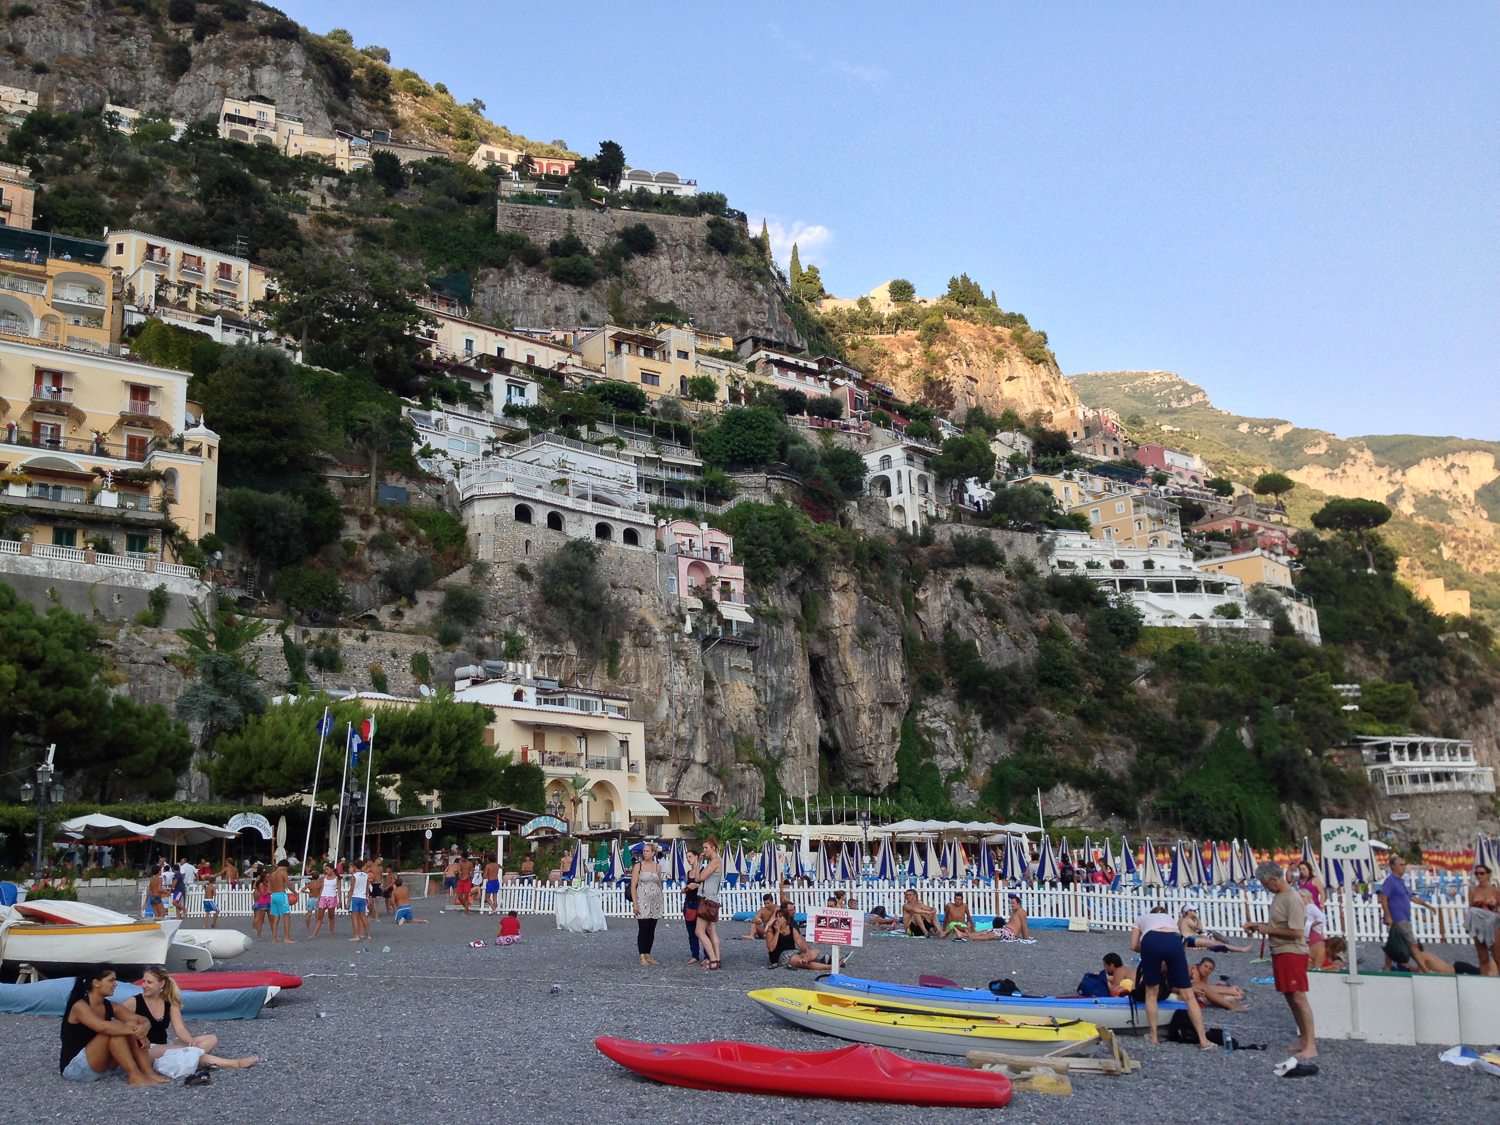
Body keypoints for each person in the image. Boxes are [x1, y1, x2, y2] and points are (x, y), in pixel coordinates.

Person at [1245, 860, 1316, 1063]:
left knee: (1299, 997)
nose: (1264, 887)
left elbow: (1296, 932)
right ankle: (1303, 1040)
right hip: (1280, 951)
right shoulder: (1279, 896)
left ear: (1275, 879)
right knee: (1289, 997)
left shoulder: (1293, 899)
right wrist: (1258, 926)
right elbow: (1277, 925)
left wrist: (1269, 930)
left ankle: (1311, 1045)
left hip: (1292, 952)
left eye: (1266, 883)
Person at [134, 967, 259, 1072]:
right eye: (143, 981)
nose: (144, 985)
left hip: (164, 1047)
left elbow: (179, 1028)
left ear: (161, 984)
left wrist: (190, 1041)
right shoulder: (135, 1001)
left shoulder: (170, 1004)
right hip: (147, 1050)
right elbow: (120, 1018)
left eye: (149, 982)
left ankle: (191, 1057)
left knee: (211, 1039)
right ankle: (234, 1063)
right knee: (187, 1051)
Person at [59, 965, 167, 1086]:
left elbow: (140, 1019)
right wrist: (137, 1033)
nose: (115, 984)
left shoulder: (110, 1005)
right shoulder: (80, 1006)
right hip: (76, 1069)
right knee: (115, 1027)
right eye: (111, 980)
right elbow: (102, 1027)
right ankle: (135, 1075)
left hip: (103, 1067)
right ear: (96, 983)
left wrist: (145, 1027)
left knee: (128, 1024)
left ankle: (148, 1072)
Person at [1130, 902, 1211, 1048]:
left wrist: (1148, 951)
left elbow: (1133, 946)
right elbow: (1182, 937)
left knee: (1151, 993)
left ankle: (1153, 1036)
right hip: (1173, 941)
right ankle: (1203, 1040)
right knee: (1188, 995)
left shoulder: (1141, 918)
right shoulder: (1170, 919)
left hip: (1151, 941)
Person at [1379, 855, 1433, 971]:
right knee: (1412, 943)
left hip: (1403, 916)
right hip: (1398, 917)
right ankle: (1424, 969)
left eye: (1404, 865)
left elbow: (1411, 897)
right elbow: (1383, 898)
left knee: (1393, 942)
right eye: (1401, 865)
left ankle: (1387, 968)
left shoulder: (1401, 882)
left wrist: (1426, 905)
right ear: (1393, 867)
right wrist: (1388, 916)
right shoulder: (1390, 881)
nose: (1404, 867)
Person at [765, 904, 833, 971]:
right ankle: (829, 967)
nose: (777, 919)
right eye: (777, 917)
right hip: (780, 955)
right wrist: (777, 932)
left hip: (793, 952)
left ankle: (805, 960)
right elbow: (771, 948)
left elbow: (800, 942)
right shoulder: (771, 930)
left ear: (786, 919)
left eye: (780, 917)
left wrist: (807, 950)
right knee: (805, 963)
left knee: (815, 951)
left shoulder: (792, 929)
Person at [630, 841, 664, 966]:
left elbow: (659, 883)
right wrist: (635, 903)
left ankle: (648, 953)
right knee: (643, 928)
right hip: (642, 899)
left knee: (651, 928)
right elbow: (633, 885)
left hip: (654, 900)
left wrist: (661, 898)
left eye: (647, 851)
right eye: (644, 851)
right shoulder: (639, 866)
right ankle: (642, 955)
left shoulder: (657, 867)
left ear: (653, 853)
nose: (645, 853)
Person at [695, 837, 724, 971]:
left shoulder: (715, 861)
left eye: (706, 847)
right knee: (711, 930)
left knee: (699, 931)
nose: (704, 850)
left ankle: (712, 960)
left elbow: (700, 878)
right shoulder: (714, 862)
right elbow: (697, 878)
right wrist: (698, 864)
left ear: (713, 847)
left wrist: (698, 864)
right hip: (711, 898)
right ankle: (717, 959)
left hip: (708, 899)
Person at [1466, 864, 1499, 975]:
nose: (1479, 875)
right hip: (1478, 923)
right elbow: (1470, 907)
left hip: (1493, 923)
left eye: (1482, 873)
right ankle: (1484, 981)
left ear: (1488, 875)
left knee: (1497, 956)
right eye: (1476, 873)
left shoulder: (1495, 891)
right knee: (1483, 957)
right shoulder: (1472, 890)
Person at [1179, 906, 1252, 953]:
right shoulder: (1188, 920)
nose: (1196, 913)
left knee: (1215, 942)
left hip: (1191, 938)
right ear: (1189, 911)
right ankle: (1241, 950)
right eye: (1194, 911)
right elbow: (1201, 928)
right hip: (1191, 939)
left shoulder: (1185, 920)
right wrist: (1197, 918)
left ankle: (1228, 949)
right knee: (1217, 943)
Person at [682, 850, 703, 964]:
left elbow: (705, 886)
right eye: (687, 857)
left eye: (690, 856)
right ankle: (695, 955)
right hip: (688, 902)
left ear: (696, 857)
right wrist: (685, 889)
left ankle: (708, 954)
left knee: (704, 931)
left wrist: (697, 885)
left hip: (699, 903)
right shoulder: (688, 873)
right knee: (691, 932)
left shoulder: (703, 871)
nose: (688, 859)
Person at [267, 860, 295, 943]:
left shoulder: (272, 874)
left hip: (274, 896)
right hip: (281, 895)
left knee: (276, 917)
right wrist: (295, 892)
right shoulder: (283, 872)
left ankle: (274, 938)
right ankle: (287, 938)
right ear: (285, 866)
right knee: (286, 917)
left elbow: (269, 889)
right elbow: (288, 884)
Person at [1302, 889, 1328, 969]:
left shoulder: (1311, 907)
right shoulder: (1304, 908)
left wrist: (1311, 925)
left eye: (1302, 896)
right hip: (1308, 932)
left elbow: (1321, 918)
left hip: (1313, 932)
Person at [312, 864, 339, 938]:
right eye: (325, 870)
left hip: (332, 897)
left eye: (327, 869)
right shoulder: (324, 878)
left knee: (331, 916)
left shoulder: (337, 878)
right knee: (320, 917)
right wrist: (319, 898)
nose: (326, 871)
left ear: (332, 869)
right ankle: (315, 934)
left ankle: (331, 933)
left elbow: (339, 890)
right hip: (324, 897)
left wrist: (339, 901)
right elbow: (322, 889)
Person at [348, 862, 372, 942]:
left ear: (355, 866)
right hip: (362, 897)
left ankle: (356, 935)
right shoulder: (365, 875)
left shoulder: (354, 876)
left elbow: (352, 889)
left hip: (355, 897)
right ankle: (368, 934)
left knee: (354, 918)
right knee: (363, 917)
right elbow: (366, 887)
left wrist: (348, 901)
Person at [250, 869, 271, 941]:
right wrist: (269, 891)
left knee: (272, 920)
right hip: (263, 903)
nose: (269, 878)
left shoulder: (269, 884)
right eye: (267, 877)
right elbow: (263, 894)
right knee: (260, 919)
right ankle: (259, 935)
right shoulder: (261, 884)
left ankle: (274, 935)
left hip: (269, 902)